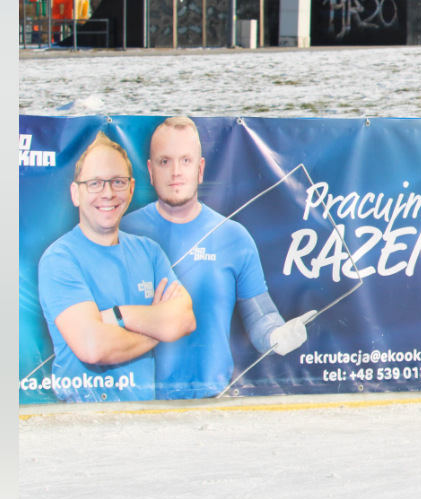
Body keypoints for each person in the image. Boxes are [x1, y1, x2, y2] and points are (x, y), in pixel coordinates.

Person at [122, 113, 310, 400]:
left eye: (185, 161)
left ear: (200, 169)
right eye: (165, 161)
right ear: (150, 170)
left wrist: (277, 336)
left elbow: (260, 317)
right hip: (138, 404)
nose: (175, 172)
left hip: (212, 402)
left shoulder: (234, 237)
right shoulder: (122, 233)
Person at [35, 133, 195, 402]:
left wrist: (117, 315)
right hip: (81, 418)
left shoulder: (150, 252)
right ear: (76, 193)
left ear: (131, 189)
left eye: (117, 182)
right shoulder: (59, 259)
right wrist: (157, 330)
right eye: (95, 183)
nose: (108, 193)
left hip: (143, 417)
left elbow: (185, 319)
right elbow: (93, 346)